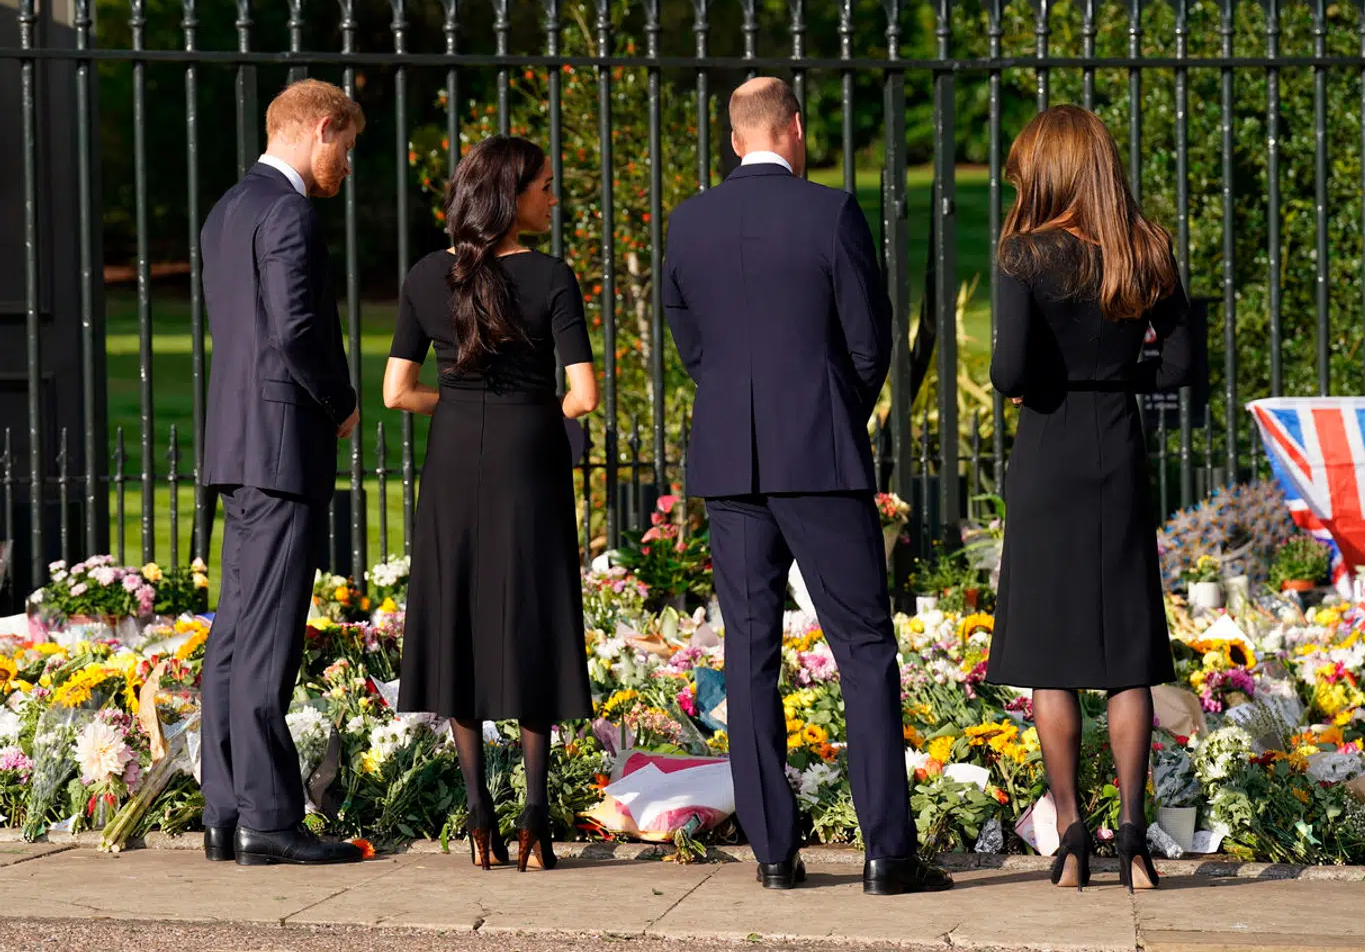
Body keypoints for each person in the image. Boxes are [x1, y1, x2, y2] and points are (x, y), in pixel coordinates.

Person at [662, 77, 952, 896]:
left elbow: (691, 341)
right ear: (793, 129)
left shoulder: (690, 220)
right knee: (862, 647)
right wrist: (829, 411)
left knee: (749, 651)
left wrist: (740, 403)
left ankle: (774, 854)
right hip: (819, 457)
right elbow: (869, 341)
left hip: (731, 460)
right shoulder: (830, 212)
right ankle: (887, 853)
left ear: (734, 138)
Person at [986, 105, 1195, 894]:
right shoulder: (1146, 247)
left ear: (1047, 169)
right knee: (1127, 654)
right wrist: (1116, 375)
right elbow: (1180, 366)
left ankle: (1072, 837)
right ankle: (1134, 842)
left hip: (1048, 450)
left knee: (1053, 656)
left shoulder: (1023, 253)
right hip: (1117, 448)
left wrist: (1056, 377)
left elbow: (1010, 373)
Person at [383, 135, 598, 873]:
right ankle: (536, 816)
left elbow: (396, 392)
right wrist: (531, 411)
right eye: (545, 186)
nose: (553, 197)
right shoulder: (551, 276)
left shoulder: (425, 276)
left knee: (458, 614)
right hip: (528, 460)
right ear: (511, 195)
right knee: (533, 612)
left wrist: (459, 404)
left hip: (452, 460)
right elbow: (583, 396)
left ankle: (480, 816)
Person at [199, 79, 364, 866]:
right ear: (321, 126)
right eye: (347, 148)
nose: (346, 166)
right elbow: (297, 328)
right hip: (281, 446)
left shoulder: (228, 209)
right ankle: (268, 817)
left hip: (236, 445)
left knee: (235, 632)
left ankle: (226, 810)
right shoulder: (290, 212)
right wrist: (341, 400)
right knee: (267, 639)